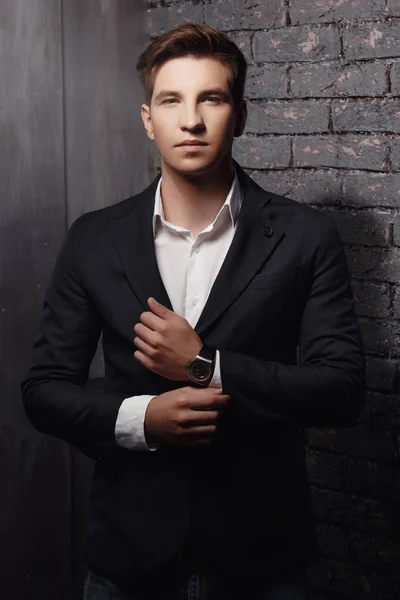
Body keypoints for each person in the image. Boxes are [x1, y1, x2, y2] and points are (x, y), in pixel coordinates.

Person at [21, 22, 366, 600]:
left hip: (266, 559)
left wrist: (205, 365)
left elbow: (343, 389)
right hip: (127, 559)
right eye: (171, 100)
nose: (192, 120)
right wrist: (141, 420)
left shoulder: (306, 236)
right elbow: (44, 389)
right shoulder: (94, 239)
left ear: (241, 114)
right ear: (147, 119)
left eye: (211, 97)